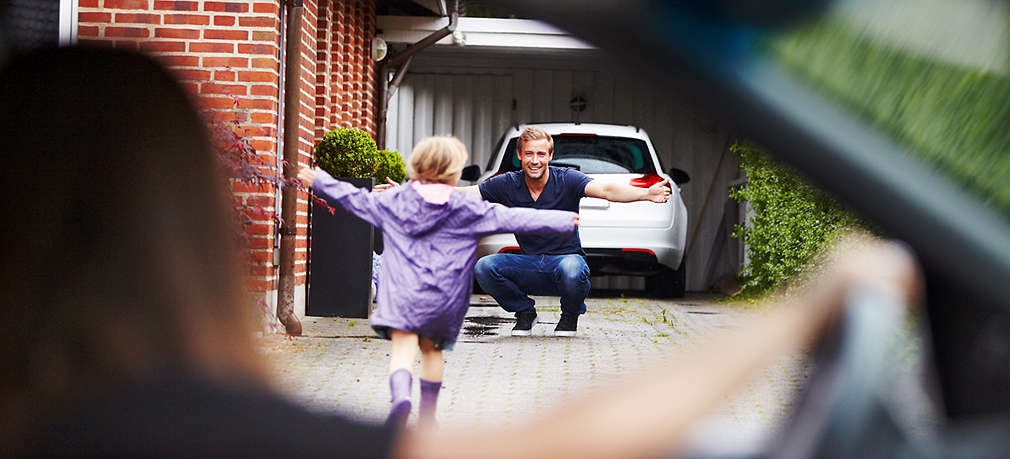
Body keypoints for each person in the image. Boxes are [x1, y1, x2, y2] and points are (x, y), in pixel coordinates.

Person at [3, 46, 923, 459]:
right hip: (450, 294)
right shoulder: (181, 428)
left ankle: (414, 403)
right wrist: (804, 309)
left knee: (416, 343)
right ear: (187, 235)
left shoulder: (407, 194)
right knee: (435, 346)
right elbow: (568, 442)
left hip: (411, 293)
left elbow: (352, 193)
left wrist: (304, 177)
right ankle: (417, 414)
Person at [297, 136, 579, 430]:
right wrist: (558, 221)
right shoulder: (465, 208)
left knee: (403, 350)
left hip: (402, 293)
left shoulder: (395, 200)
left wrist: (321, 181)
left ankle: (401, 399)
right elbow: (513, 218)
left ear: (417, 165)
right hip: (442, 298)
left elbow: (357, 200)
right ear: (455, 173)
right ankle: (428, 416)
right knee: (432, 353)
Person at [466, 127, 672, 337]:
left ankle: (569, 316)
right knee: (484, 267)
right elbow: (470, 194)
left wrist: (645, 193)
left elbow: (606, 191)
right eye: (529, 154)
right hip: (529, 265)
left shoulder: (567, 179)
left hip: (565, 264)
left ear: (550, 156)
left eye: (541, 154)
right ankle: (524, 312)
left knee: (573, 268)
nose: (535, 160)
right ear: (520, 155)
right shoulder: (508, 183)